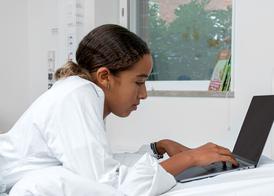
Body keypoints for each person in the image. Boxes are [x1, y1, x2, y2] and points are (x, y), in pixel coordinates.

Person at [0, 24, 238, 196]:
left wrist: (159, 148)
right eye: (138, 82)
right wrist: (190, 158)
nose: (143, 94)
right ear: (105, 76)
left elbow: (100, 164)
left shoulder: (82, 93)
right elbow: (110, 185)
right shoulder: (77, 94)